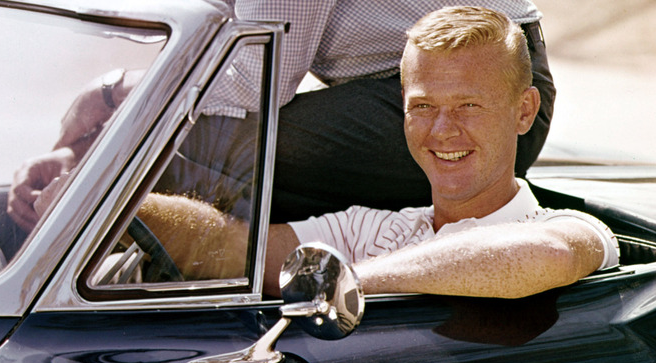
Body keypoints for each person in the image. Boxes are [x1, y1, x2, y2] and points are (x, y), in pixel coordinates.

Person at [136, 6, 619, 300]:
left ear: (523, 111)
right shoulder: (372, 229)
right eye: (422, 107)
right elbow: (235, 250)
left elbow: (542, 256)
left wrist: (338, 283)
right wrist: (124, 209)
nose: (443, 130)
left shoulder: (570, 228)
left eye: (469, 106)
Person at [7, 0, 555, 231]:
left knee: (216, 150)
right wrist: (84, 148)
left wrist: (109, 98)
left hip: (486, 90)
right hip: (398, 88)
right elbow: (210, 46)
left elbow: (253, 80)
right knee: (194, 144)